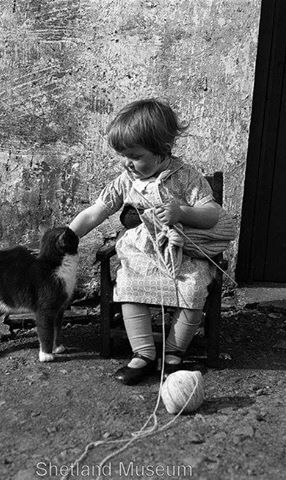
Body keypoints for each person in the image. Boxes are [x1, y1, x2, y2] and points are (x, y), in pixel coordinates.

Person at [69, 98, 221, 385]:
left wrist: (182, 212)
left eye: (135, 156)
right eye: (122, 155)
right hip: (141, 255)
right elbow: (96, 211)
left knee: (193, 288)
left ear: (163, 149)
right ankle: (143, 353)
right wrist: (68, 234)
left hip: (181, 256)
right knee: (128, 284)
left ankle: (174, 352)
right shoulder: (126, 181)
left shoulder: (187, 177)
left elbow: (212, 213)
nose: (127, 163)